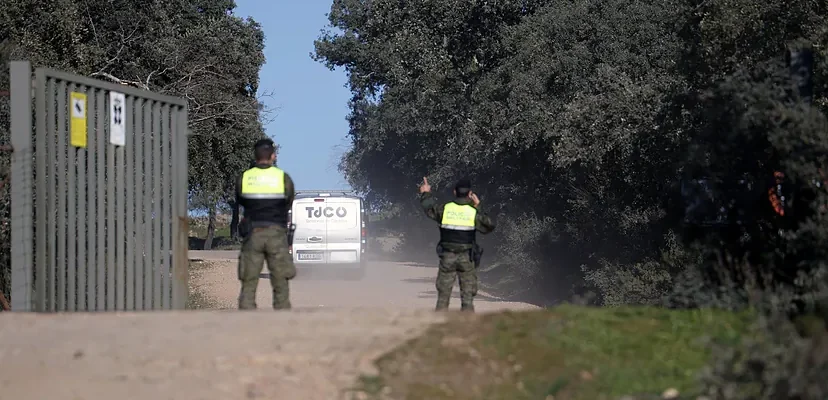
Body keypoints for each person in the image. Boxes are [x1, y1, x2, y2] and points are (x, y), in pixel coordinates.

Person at [235, 138, 296, 310]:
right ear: (273, 156)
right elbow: (289, 201)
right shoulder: (283, 178)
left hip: (253, 233)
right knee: (280, 277)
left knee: (249, 278)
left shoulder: (245, 178)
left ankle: (247, 318)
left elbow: (240, 200)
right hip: (276, 233)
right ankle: (282, 315)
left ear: (255, 156)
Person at [419, 176, 495, 311]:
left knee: (443, 296)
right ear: (470, 194)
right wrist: (478, 205)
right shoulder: (473, 213)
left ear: (454, 192)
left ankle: (440, 325)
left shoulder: (445, 209)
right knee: (467, 297)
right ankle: (466, 327)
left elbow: (429, 208)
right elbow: (489, 226)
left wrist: (426, 192)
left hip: (447, 256)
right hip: (467, 258)